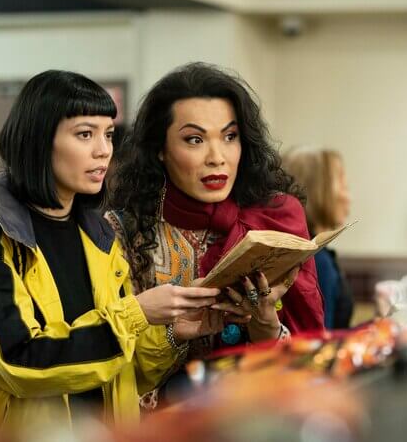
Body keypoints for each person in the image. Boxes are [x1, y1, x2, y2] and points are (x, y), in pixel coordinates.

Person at [0, 70, 225, 435]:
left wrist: (172, 334)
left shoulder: (97, 235)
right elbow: (19, 361)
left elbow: (118, 371)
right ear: (39, 141)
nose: (103, 150)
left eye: (109, 134)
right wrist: (135, 314)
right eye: (85, 134)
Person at [107, 62, 325, 406]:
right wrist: (173, 334)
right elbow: (110, 373)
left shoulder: (274, 219)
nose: (217, 157)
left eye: (230, 137)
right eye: (195, 139)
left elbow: (305, 365)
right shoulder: (121, 234)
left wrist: (265, 324)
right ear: (160, 149)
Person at [282, 146, 354, 329]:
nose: (349, 198)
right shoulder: (317, 260)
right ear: (318, 192)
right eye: (343, 186)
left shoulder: (292, 252)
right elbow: (320, 341)